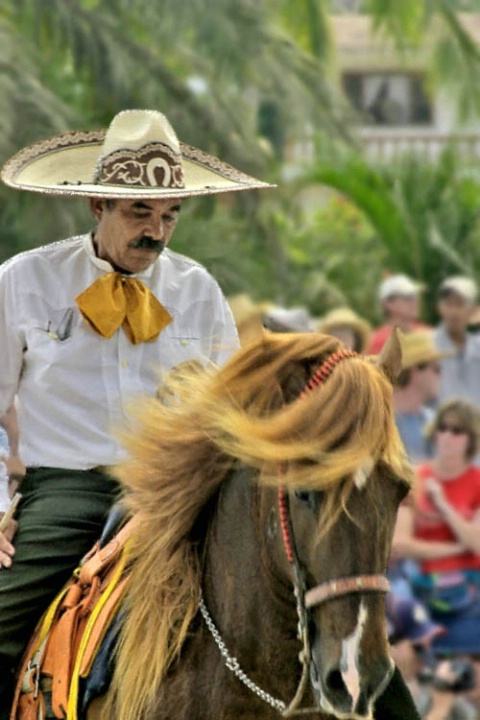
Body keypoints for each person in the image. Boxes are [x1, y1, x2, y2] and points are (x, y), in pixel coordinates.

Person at [0, 108, 272, 714]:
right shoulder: (24, 281)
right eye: (140, 212)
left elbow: (232, 415)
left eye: (170, 214)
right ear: (97, 206)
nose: (158, 230)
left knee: (309, 607)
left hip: (176, 499)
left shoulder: (197, 289)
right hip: (68, 497)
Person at [392, 398, 480, 720]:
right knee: (409, 659)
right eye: (442, 428)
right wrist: (456, 547)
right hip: (422, 588)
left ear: (470, 439)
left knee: (457, 684)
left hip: (469, 590)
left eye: (457, 430)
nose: (447, 436)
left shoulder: (476, 482)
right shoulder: (417, 478)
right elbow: (400, 544)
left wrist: (444, 507)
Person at [394, 330, 451, 463]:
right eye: (437, 369)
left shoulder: (434, 420)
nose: (441, 376)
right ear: (415, 371)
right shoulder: (379, 421)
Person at [433, 276, 480, 409]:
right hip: (440, 427)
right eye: (448, 304)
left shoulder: (477, 347)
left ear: (473, 311)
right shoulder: (428, 346)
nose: (453, 312)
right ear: (440, 308)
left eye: (460, 305)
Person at [367, 273, 428, 355]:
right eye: (408, 297)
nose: (415, 301)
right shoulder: (374, 342)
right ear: (388, 303)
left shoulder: (428, 333)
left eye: (415, 296)